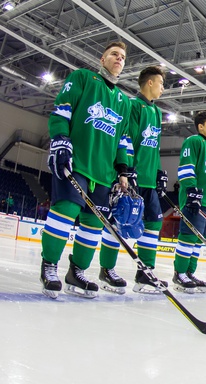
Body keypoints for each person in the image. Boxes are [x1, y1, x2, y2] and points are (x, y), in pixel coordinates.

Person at [39, 41, 131, 299]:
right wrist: (59, 139)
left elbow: (123, 140)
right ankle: (49, 267)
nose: (119, 59)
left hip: (104, 174)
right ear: (102, 59)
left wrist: (122, 170)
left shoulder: (123, 100)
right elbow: (62, 109)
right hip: (77, 163)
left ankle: (76, 272)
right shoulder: (83, 78)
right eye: (114, 54)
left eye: (123, 57)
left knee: (93, 224)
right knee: (65, 211)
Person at [96, 65, 167, 294]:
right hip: (131, 176)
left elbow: (153, 147)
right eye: (161, 83)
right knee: (118, 221)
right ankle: (106, 270)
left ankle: (145, 273)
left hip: (148, 181)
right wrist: (127, 169)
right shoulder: (133, 106)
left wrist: (157, 172)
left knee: (154, 223)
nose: (163, 88)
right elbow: (126, 137)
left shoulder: (156, 112)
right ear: (149, 83)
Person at [172, 111, 206, 293]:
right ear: (200, 126)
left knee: (199, 241)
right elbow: (186, 166)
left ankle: (190, 273)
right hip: (195, 199)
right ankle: (180, 273)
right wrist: (192, 191)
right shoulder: (193, 141)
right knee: (189, 236)